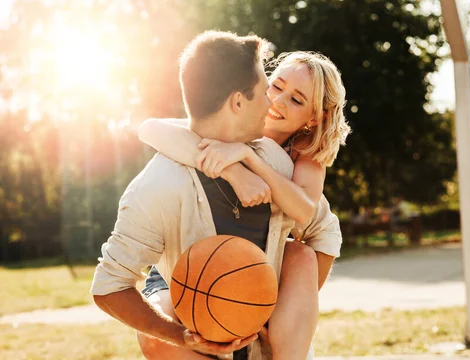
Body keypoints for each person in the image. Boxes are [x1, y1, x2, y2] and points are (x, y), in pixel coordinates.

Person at [91, 31, 343, 360]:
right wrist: (233, 170)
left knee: (301, 255)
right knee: (156, 334)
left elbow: (315, 221)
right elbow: (154, 129)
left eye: (296, 100)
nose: (276, 102)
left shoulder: (298, 160)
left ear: (313, 117)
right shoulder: (199, 146)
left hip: (258, 268)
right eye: (273, 87)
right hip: (181, 270)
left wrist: (280, 309)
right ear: (240, 100)